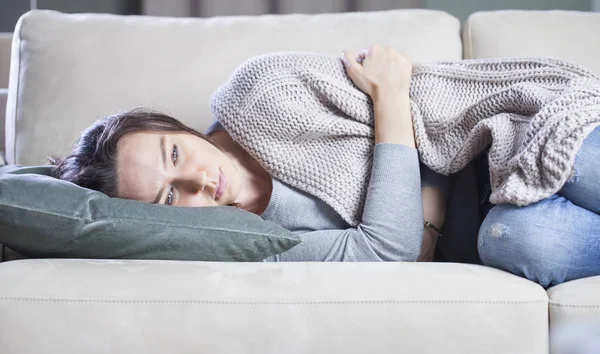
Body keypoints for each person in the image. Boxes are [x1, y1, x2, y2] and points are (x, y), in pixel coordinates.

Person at [51, 46, 599, 287]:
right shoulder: (246, 242)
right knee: (518, 243)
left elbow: (416, 100)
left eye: (175, 154)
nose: (197, 180)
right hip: (490, 223)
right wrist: (425, 209)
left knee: (572, 162)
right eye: (171, 198)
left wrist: (421, 199)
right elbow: (389, 249)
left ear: (180, 128)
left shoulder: (262, 90)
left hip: (508, 130)